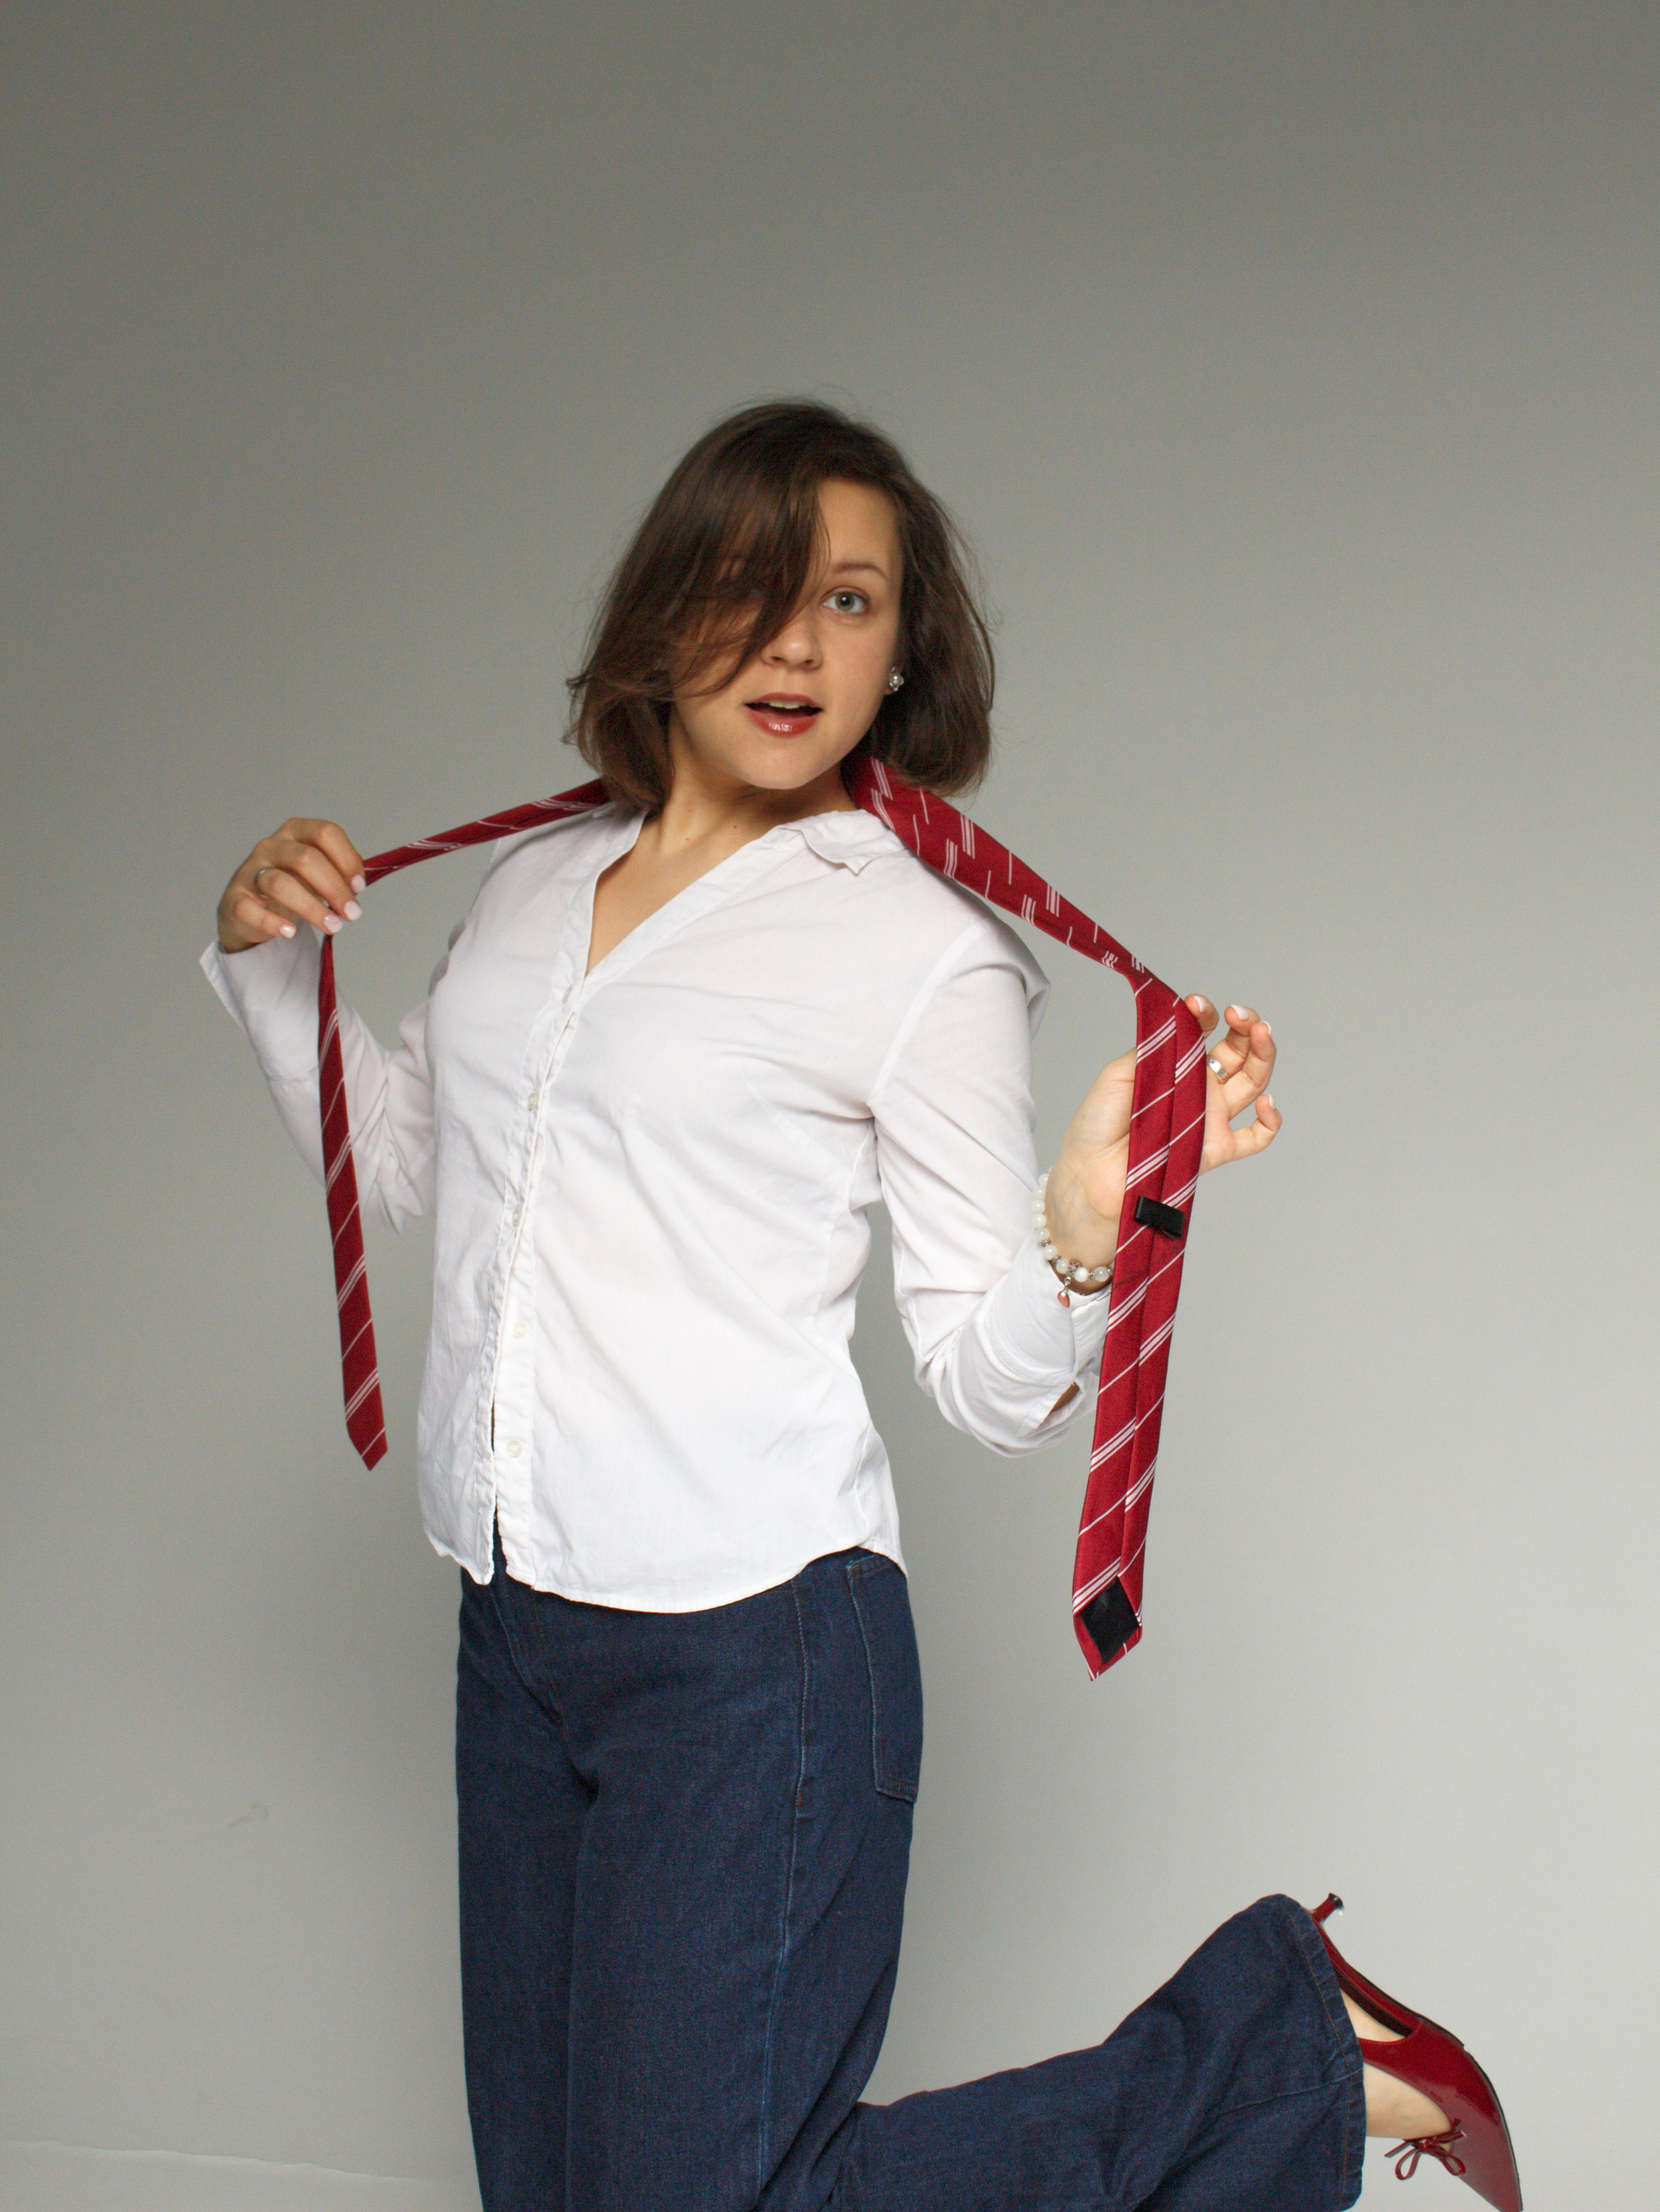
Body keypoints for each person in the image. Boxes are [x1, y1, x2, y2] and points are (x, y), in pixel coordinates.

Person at [202, 402, 1521, 2212]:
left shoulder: (919, 947)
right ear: (665, 607)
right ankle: (1290, 2051)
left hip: (757, 1662)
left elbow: (987, 1381)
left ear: (903, 653)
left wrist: (1079, 1232)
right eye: (751, 585)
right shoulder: (525, 890)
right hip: (514, 1630)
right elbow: (407, 1158)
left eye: (848, 599)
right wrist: (270, 959)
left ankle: (1288, 2047)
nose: (797, 642)